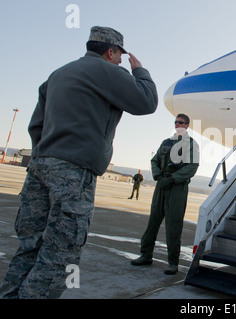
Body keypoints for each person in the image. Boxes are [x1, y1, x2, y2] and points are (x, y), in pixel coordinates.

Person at [0, 26, 158, 299]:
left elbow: (36, 124)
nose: (121, 59)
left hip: (39, 166)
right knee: (60, 252)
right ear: (110, 51)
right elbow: (147, 102)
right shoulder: (110, 72)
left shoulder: (57, 74)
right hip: (73, 172)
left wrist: (46, 155)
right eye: (119, 54)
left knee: (30, 245)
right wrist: (140, 72)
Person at [131, 114, 199, 275]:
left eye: (181, 122)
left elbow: (192, 167)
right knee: (152, 222)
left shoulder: (191, 145)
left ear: (187, 125)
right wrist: (158, 176)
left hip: (177, 189)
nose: (177, 124)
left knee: (173, 226)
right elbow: (154, 160)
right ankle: (146, 255)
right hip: (161, 185)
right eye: (175, 122)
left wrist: (173, 179)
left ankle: (172, 262)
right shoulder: (166, 142)